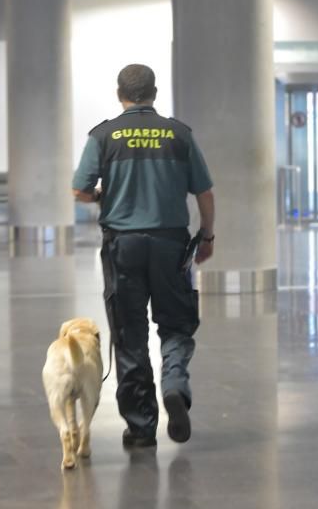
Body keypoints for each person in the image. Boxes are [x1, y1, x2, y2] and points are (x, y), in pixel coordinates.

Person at [72, 64, 215, 448]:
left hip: (123, 246)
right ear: (154, 92)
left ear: (120, 93)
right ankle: (174, 385)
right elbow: (204, 194)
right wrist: (207, 236)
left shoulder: (103, 135)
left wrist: (105, 195)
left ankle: (140, 427)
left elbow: (80, 191)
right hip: (171, 245)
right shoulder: (179, 135)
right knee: (177, 324)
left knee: (129, 332)